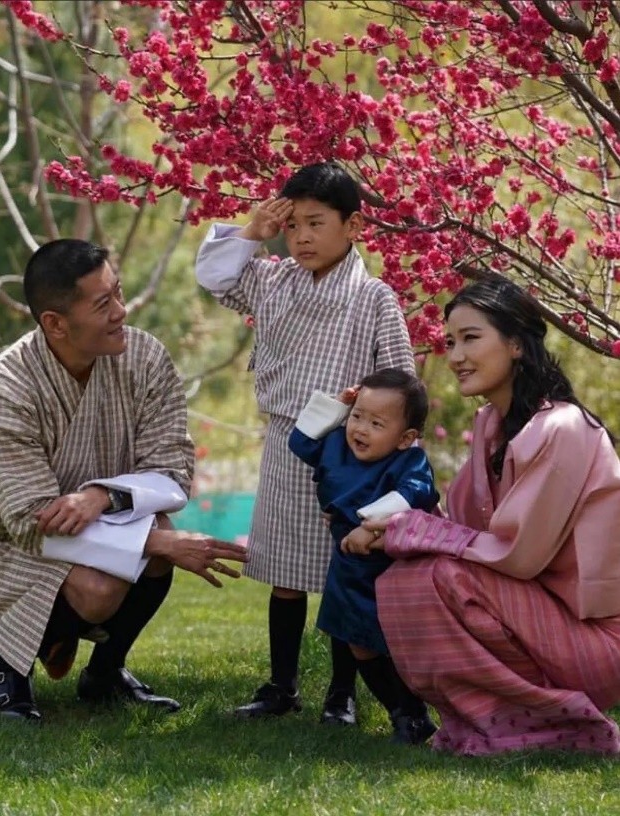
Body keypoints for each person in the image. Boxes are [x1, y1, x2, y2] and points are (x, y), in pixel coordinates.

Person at [0, 238, 247, 723]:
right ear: (55, 324)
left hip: (103, 518)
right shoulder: (1, 393)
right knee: (104, 584)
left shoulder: (145, 357)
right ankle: (11, 669)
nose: (121, 311)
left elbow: (174, 468)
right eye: (103, 304)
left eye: (117, 293)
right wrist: (160, 544)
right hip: (2, 542)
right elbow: (30, 522)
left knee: (154, 530)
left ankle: (105, 671)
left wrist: (102, 496)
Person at [358, 277, 620, 755]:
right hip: (541, 620)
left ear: (517, 343)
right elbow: (458, 526)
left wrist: (413, 529)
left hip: (598, 642)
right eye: (450, 341)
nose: (455, 355)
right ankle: (495, 719)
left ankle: (560, 725)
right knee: (403, 578)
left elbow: (516, 555)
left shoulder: (561, 428)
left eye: (471, 338)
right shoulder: (490, 426)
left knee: (436, 575)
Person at [195, 162, 415, 725]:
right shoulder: (272, 278)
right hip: (284, 438)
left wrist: (373, 422)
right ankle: (281, 684)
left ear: (354, 226)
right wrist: (251, 232)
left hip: (352, 450)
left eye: (316, 223)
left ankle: (342, 692)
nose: (302, 238)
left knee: (343, 571)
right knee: (287, 576)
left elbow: (399, 379)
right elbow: (215, 278)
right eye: (292, 226)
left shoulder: (374, 298)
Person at [288, 369, 439, 743]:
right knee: (358, 642)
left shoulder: (408, 462)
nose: (361, 429)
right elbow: (299, 441)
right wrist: (336, 407)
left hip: (392, 561)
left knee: (394, 643)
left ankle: (417, 708)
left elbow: (416, 493)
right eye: (357, 416)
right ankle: (404, 714)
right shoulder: (336, 444)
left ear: (406, 438)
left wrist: (371, 525)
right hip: (348, 563)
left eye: (376, 423)